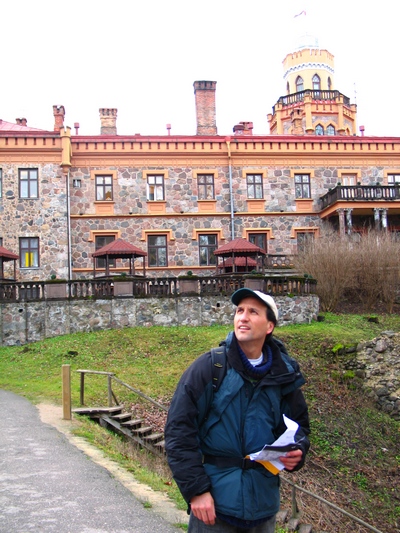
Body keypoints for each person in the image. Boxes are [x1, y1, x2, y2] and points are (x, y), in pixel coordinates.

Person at [164, 288, 310, 532]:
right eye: (239, 310)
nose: (243, 317)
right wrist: (196, 491)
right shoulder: (210, 367)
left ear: (270, 326)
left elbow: (299, 428)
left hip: (263, 510)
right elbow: (178, 431)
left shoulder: (284, 375)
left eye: (253, 312)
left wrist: (298, 451)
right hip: (214, 510)